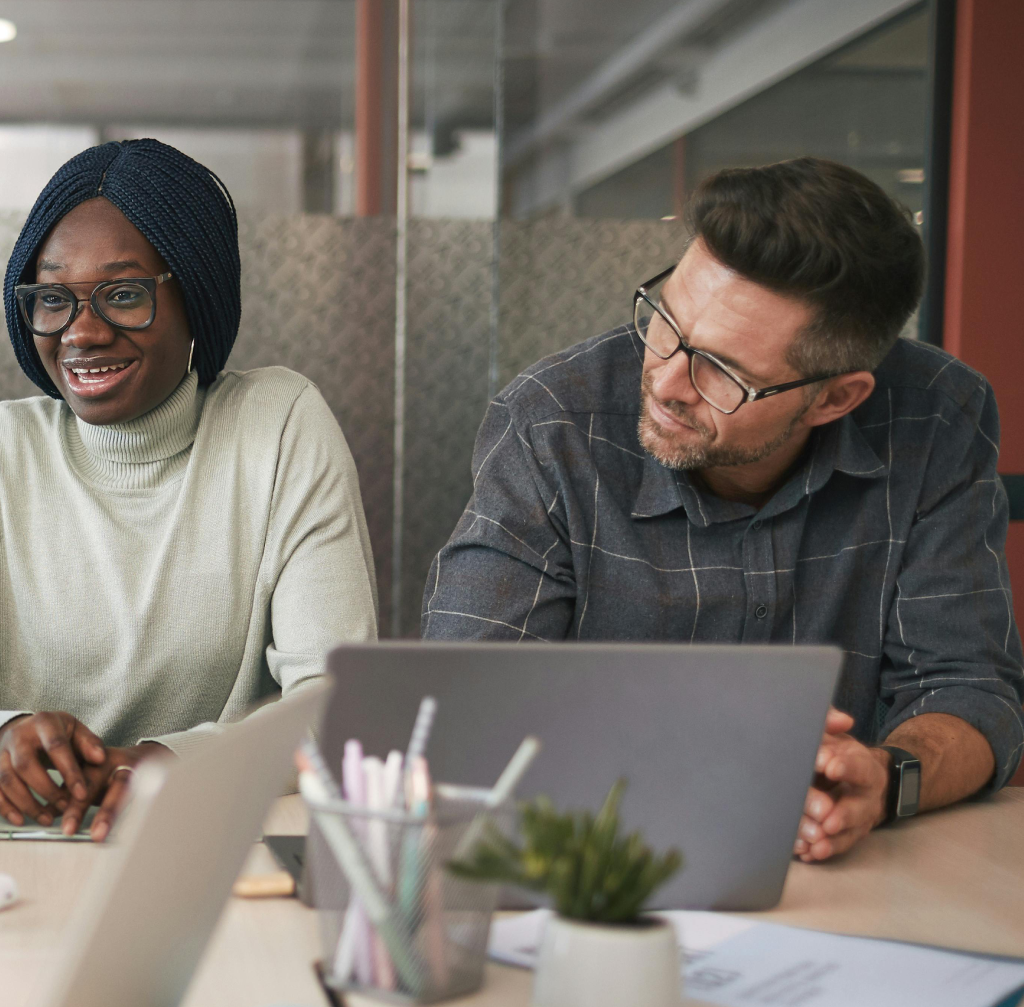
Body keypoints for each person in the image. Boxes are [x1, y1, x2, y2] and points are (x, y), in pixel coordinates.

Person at [424, 157, 1021, 864]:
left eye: (723, 371)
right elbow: (464, 704)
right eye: (666, 322)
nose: (667, 380)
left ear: (835, 398)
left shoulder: (938, 417)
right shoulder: (552, 424)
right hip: (596, 863)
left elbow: (971, 689)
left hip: (844, 878)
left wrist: (886, 778)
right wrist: (725, 761)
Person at [0, 139, 379, 841]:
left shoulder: (279, 429)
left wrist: (170, 763)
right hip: (26, 852)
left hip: (207, 845)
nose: (84, 332)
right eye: (54, 299)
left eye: (124, 294)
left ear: (196, 295)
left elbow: (339, 709)